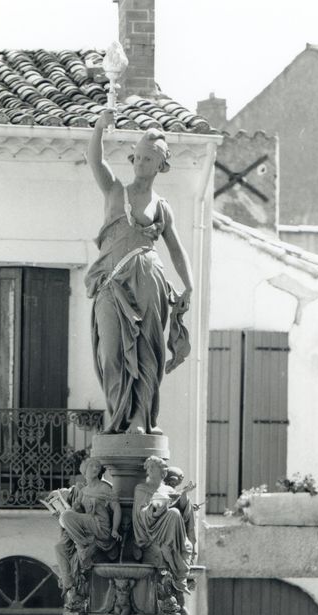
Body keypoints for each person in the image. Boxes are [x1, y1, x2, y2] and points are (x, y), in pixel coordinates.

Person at [85, 110, 194, 434]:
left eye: (148, 159)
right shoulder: (115, 191)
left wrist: (188, 287)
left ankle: (140, 421)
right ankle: (117, 418)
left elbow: (175, 249)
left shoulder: (162, 206)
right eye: (138, 157)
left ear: (160, 164)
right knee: (113, 351)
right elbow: (95, 161)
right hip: (112, 281)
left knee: (149, 350)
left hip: (149, 279)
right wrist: (100, 129)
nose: (141, 163)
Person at [52, 457, 122, 603]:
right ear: (85, 469)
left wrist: (115, 530)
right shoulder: (83, 491)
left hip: (100, 527)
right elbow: (74, 512)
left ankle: (82, 546)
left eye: (97, 466)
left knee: (67, 517)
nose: (95, 469)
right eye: (92, 466)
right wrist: (59, 512)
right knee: (59, 547)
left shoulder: (105, 488)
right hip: (87, 527)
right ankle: (68, 584)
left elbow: (117, 509)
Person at [131, 456, 193, 590]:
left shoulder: (169, 490)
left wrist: (184, 494)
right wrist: (154, 508)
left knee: (175, 513)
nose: (149, 470)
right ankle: (170, 554)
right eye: (148, 467)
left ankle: (169, 547)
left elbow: (182, 510)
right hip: (149, 527)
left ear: (162, 471)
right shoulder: (141, 488)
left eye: (153, 467)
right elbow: (139, 513)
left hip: (167, 525)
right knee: (173, 514)